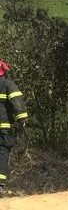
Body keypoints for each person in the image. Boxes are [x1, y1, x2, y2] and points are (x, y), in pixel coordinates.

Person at [0, 60, 28, 194]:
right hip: (3, 128)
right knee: (2, 152)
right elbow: (17, 103)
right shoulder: (7, 84)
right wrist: (22, 119)